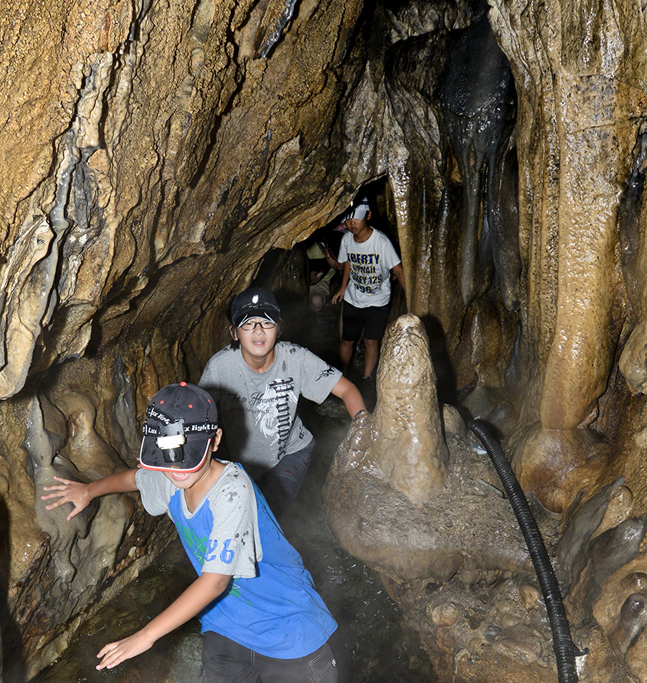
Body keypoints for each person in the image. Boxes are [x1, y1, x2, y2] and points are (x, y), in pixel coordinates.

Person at [40, 382, 339, 681]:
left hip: (289, 629)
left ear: (215, 440)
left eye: (189, 454)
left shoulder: (233, 489)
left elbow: (215, 583)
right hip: (227, 625)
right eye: (168, 456)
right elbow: (136, 478)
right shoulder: (173, 475)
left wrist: (145, 636)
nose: (178, 467)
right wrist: (89, 490)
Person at [199, 287, 365, 512]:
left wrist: (365, 432)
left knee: (269, 513)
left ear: (278, 329)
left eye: (267, 322)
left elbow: (348, 390)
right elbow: (199, 414)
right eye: (248, 323)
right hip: (242, 461)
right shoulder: (220, 367)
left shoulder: (295, 358)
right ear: (234, 332)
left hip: (291, 452)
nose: (258, 330)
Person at [330, 198, 405, 382]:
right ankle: (342, 374)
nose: (352, 223)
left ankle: (367, 377)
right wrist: (342, 287)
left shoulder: (381, 242)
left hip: (377, 300)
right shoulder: (347, 238)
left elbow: (397, 269)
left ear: (368, 216)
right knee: (347, 339)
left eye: (356, 219)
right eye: (348, 220)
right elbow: (348, 262)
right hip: (353, 298)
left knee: (371, 341)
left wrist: (410, 297)